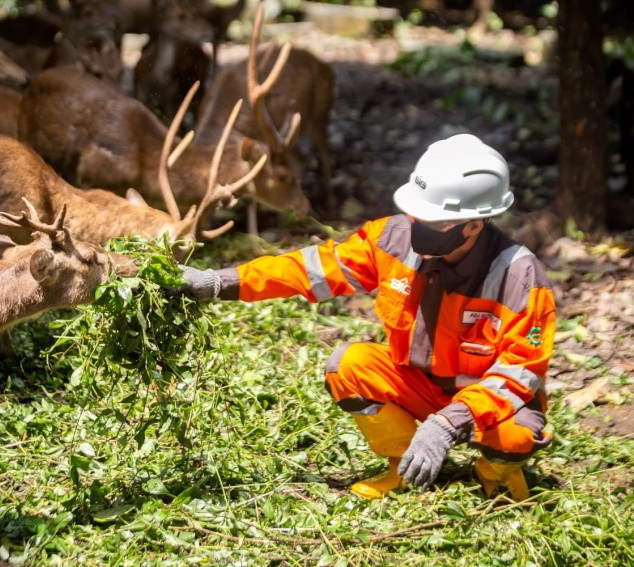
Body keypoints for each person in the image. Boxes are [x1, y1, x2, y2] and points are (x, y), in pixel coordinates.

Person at [180, 134, 556, 500]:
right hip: (418, 384)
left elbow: (518, 374)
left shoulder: (519, 276)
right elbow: (309, 268)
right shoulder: (390, 239)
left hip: (486, 402)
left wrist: (448, 424)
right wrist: (219, 282)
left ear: (474, 224)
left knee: (516, 436)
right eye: (416, 212)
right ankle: (403, 469)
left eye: (432, 220)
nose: (416, 226)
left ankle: (493, 472)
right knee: (347, 365)